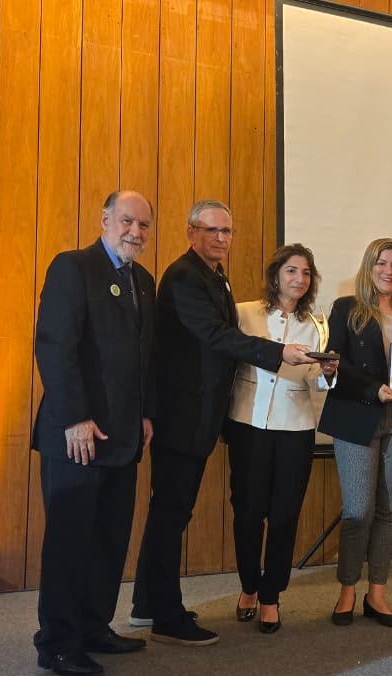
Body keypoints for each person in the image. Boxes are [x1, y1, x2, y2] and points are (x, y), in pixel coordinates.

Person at [130, 200, 315, 647]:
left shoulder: (212, 275)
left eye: (227, 231)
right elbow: (214, 336)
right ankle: (166, 618)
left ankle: (148, 605)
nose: (221, 238)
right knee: (171, 512)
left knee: (170, 513)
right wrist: (276, 353)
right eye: (211, 230)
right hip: (182, 416)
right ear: (191, 231)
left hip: (200, 416)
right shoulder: (183, 276)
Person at [30, 190, 157, 676]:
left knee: (108, 538)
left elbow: (143, 360)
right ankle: (58, 642)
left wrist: (146, 415)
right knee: (70, 542)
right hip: (77, 435)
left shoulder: (142, 281)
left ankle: (93, 626)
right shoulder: (73, 267)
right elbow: (55, 347)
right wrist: (74, 417)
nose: (136, 233)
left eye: (144, 225)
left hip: (124, 437)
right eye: (127, 221)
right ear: (105, 220)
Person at [318, 238, 392, 628]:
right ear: (369, 268)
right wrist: (372, 389)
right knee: (358, 510)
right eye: (382, 263)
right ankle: (348, 588)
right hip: (357, 417)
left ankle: (377, 593)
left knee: (387, 510)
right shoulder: (347, 309)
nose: (390, 271)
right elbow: (336, 359)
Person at [225, 244, 337, 635]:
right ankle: (248, 587)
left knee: (285, 515)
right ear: (276, 275)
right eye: (292, 271)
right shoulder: (243, 312)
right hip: (247, 424)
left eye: (306, 273)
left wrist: (328, 372)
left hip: (296, 428)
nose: (299, 280)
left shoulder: (317, 323)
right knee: (248, 512)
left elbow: (316, 382)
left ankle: (271, 595)